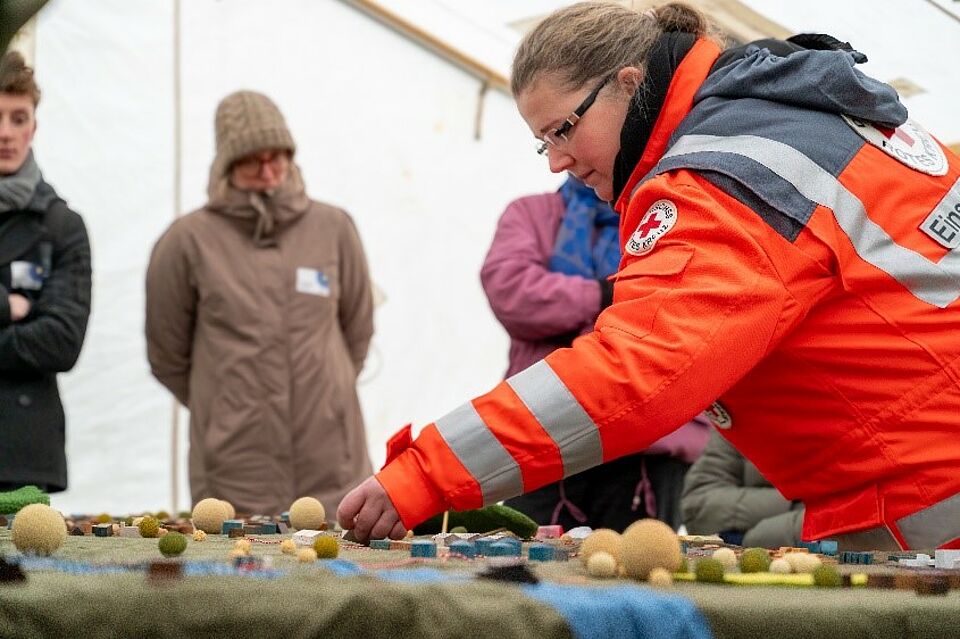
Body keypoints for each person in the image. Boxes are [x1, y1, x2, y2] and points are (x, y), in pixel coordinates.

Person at [339, 2, 960, 551]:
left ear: (627, 84)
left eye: (563, 129)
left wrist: (424, 473)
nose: (557, 161)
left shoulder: (725, 175)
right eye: (541, 144)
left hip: (930, 501)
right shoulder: (797, 117)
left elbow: (637, 371)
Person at [146, 90, 374, 518]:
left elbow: (358, 330)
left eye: (278, 157)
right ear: (228, 166)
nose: (268, 171)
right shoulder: (186, 241)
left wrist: (327, 394)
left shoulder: (334, 228)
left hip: (332, 461)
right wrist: (225, 405)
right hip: (233, 467)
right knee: (237, 580)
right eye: (253, 160)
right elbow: (166, 355)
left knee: (337, 579)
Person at [481, 174, 708, 531]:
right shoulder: (532, 213)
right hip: (548, 435)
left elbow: (686, 304)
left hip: (647, 448)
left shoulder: (676, 217)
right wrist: (603, 296)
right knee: (522, 567)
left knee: (635, 572)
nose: (561, 159)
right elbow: (512, 291)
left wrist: (580, 306)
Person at [0, 51, 91, 493]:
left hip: (24, 458)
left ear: (34, 125)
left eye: (19, 118)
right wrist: (8, 306)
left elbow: (62, 342)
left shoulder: (61, 226)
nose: (5, 134)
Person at [682, 430, 803, 548]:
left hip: (747, 545)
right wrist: (794, 505)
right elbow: (697, 506)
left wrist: (755, 537)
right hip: (740, 551)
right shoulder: (738, 418)